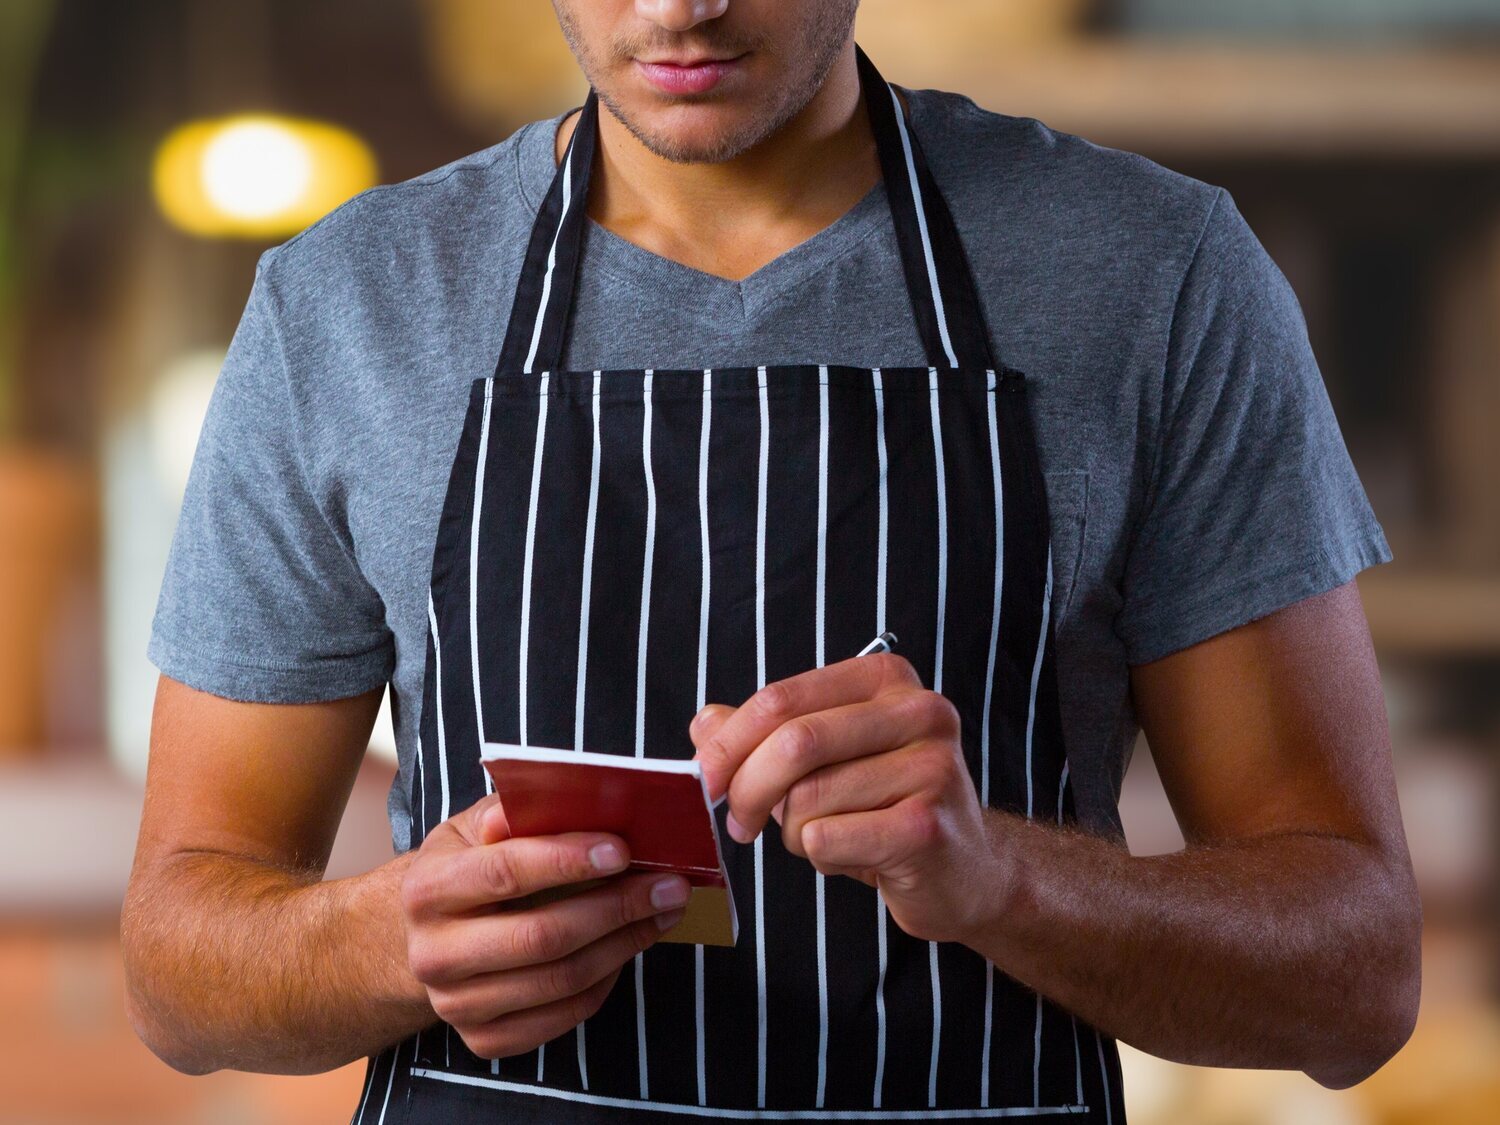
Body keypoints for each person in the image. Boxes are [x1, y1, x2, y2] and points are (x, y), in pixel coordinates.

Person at [121, 1, 1421, 1122]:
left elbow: (1355, 979)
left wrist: (1000, 880)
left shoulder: (1160, 278)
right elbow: (177, 968)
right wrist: (386, 940)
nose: (682, 6)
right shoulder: (348, 305)